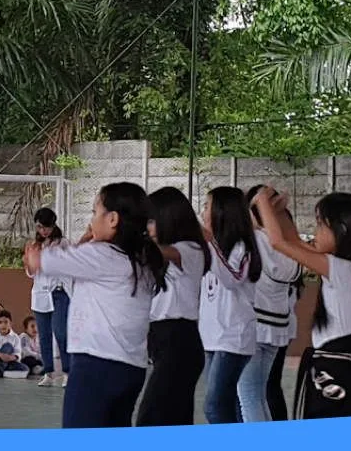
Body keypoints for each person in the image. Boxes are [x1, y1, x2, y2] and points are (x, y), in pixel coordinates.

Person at [23, 183, 167, 429]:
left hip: (96, 365)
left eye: (94, 212)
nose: (91, 220)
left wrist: (34, 254)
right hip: (131, 368)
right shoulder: (140, 259)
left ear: (112, 219)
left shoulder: (102, 254)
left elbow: (40, 261)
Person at [252, 188, 351, 417]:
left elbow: (279, 242)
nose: (315, 232)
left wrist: (261, 202)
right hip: (342, 362)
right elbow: (292, 241)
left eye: (320, 224)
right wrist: (279, 213)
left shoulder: (341, 268)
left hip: (337, 366)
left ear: (341, 231)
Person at [136, 187, 208, 427]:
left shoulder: (190, 249)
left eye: (152, 221)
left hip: (179, 340)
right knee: (174, 419)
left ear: (169, 219)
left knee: (151, 417)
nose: (148, 227)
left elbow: (157, 251)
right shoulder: (159, 255)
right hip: (161, 339)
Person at [239, 185, 301, 423]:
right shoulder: (289, 247)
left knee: (249, 396)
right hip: (277, 328)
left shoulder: (255, 241)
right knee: (261, 395)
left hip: (254, 327)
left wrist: (261, 203)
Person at [199, 186, 260, 425]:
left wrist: (209, 244)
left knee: (213, 406)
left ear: (223, 213)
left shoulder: (241, 248)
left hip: (233, 338)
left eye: (207, 206)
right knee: (228, 403)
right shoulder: (212, 247)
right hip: (211, 337)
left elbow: (232, 278)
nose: (203, 212)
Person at [27, 207, 71, 388]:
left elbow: (69, 267)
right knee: (43, 335)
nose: (43, 231)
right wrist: (29, 261)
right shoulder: (34, 245)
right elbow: (30, 273)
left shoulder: (64, 243)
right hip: (40, 293)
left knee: (61, 333)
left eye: (46, 227)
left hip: (59, 292)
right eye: (39, 227)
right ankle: (49, 372)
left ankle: (68, 371)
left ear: (53, 225)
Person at [0, 310, 33, 377]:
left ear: (11, 323)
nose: (3, 325)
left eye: (6, 322)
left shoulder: (15, 337)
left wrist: (10, 358)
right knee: (8, 346)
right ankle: (0, 371)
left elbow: (17, 354)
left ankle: (0, 372)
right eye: (0, 322)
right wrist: (1, 355)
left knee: (25, 369)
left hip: (10, 361)